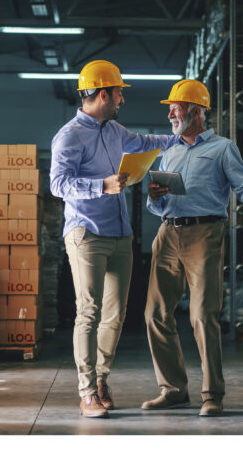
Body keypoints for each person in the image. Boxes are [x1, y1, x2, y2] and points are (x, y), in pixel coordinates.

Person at [142, 79, 243, 416]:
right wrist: (153, 198)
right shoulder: (169, 150)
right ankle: (173, 389)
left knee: (202, 315)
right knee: (154, 313)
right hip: (167, 234)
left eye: (175, 107)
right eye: (170, 108)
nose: (170, 114)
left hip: (204, 235)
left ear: (195, 111)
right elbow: (157, 202)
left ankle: (212, 395)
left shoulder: (222, 148)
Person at [50, 60, 179, 418]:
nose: (122, 99)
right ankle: (86, 391)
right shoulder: (69, 136)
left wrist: (182, 137)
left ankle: (102, 379)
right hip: (86, 233)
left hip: (120, 235)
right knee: (88, 312)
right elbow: (58, 185)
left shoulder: (115, 131)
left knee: (116, 315)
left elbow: (146, 142)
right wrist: (101, 185)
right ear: (103, 93)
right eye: (119, 92)